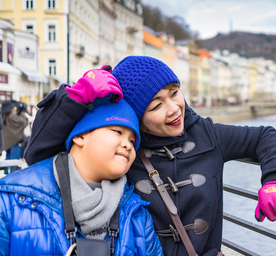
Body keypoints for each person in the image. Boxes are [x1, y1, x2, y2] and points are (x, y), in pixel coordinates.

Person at [24, 57, 276, 256]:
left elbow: (264, 136)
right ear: (137, 117)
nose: (173, 109)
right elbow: (40, 154)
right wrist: (75, 98)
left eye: (174, 93)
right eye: (156, 105)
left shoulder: (207, 134)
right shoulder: (124, 151)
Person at [0, 96, 163, 255]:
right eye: (118, 131)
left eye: (133, 141)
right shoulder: (11, 200)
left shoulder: (137, 214)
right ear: (80, 136)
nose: (128, 145)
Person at [1, 100, 29, 174]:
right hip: (14, 143)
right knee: (14, 162)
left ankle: (6, 173)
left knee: (7, 160)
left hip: (7, 143)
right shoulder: (11, 117)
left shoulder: (3, 116)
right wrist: (22, 112)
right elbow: (22, 122)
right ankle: (12, 175)